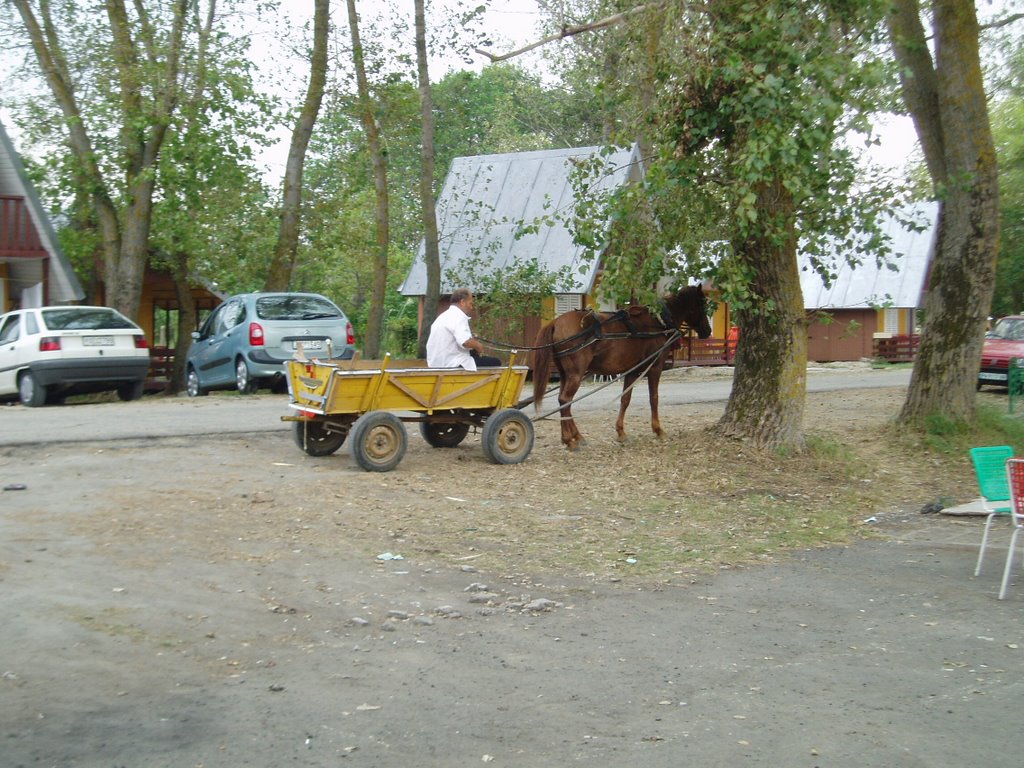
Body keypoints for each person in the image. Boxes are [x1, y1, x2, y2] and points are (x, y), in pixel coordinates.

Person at [426, 287, 501, 370]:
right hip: (454, 363)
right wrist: (478, 346)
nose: (471, 307)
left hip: (436, 364)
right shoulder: (458, 316)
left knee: (476, 356)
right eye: (470, 303)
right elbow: (465, 342)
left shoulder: (442, 317)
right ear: (462, 302)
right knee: (496, 362)